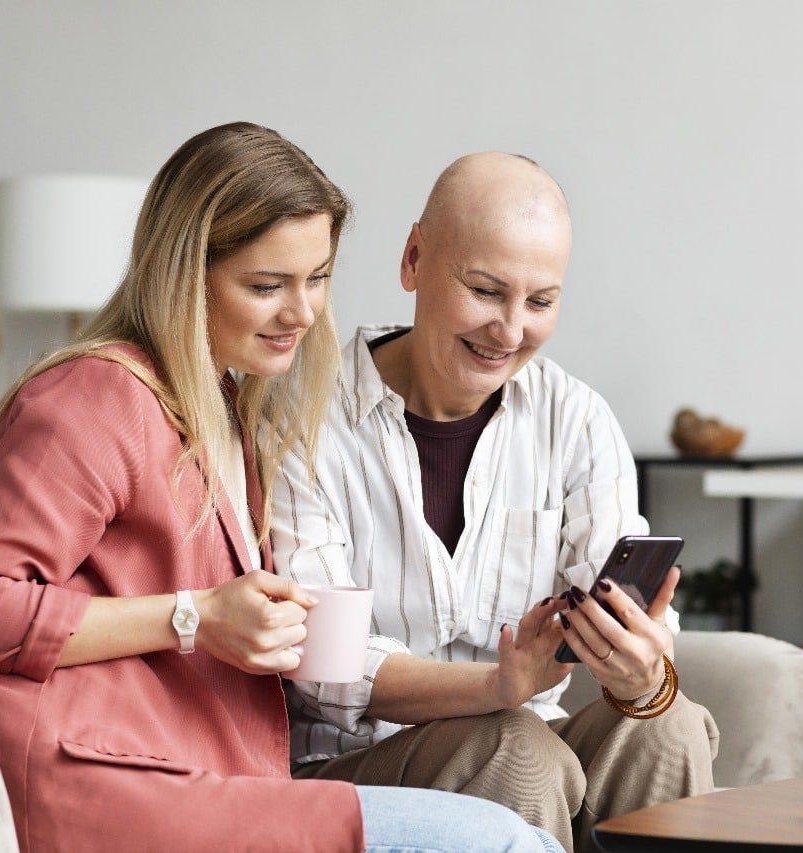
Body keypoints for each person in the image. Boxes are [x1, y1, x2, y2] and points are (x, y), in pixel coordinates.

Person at [0, 123, 561, 853]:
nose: (303, 312)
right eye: (266, 286)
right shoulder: (92, 399)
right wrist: (194, 617)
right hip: (104, 788)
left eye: (317, 277)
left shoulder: (228, 409)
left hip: (213, 780)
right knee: (504, 843)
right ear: (184, 273)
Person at [271, 152, 720, 853]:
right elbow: (327, 667)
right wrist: (495, 686)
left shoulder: (575, 420)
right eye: (485, 291)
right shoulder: (299, 415)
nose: (511, 332)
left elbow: (621, 619)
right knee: (514, 747)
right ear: (414, 259)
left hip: (531, 750)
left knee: (668, 723)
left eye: (540, 302)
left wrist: (643, 666)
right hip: (354, 770)